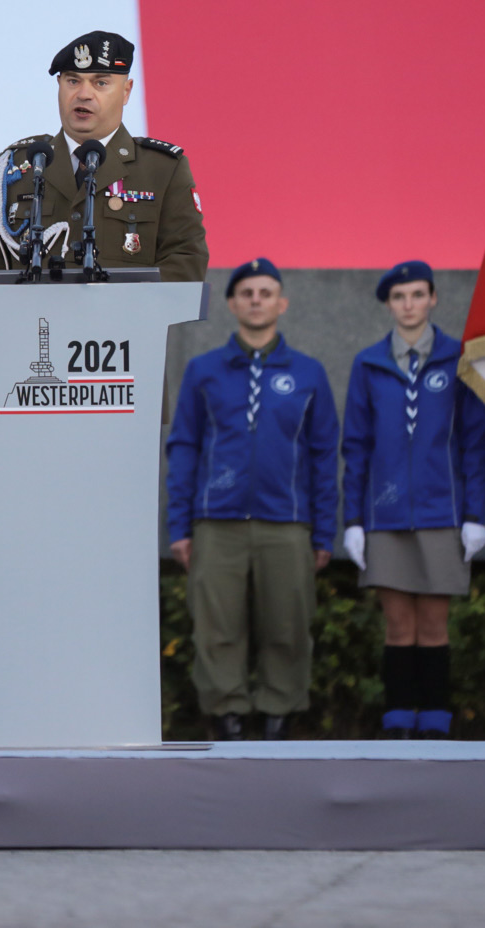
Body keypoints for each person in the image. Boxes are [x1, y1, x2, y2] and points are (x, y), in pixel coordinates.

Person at [165, 260, 339, 741]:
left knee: (286, 626)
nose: (257, 299)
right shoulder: (204, 372)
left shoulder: (308, 373)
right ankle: (228, 718)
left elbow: (325, 455)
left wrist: (324, 530)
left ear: (281, 303)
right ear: (232, 304)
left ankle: (279, 718)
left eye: (266, 292)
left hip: (287, 523)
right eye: (247, 292)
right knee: (216, 628)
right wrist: (179, 525)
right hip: (215, 523)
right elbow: (183, 447)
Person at [340, 261, 485, 739]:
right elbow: (356, 446)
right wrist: (353, 520)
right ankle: (399, 721)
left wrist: (474, 515)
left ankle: (436, 723)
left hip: (441, 513)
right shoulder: (369, 363)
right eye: (400, 296)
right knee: (398, 625)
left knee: (434, 624)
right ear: (389, 304)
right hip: (384, 515)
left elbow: (475, 442)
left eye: (418, 295)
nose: (409, 304)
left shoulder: (458, 359)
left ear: (433, 299)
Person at [0, 30, 207, 282]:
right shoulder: (20, 165)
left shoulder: (161, 169)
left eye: (101, 83)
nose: (84, 94)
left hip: (124, 320)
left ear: (126, 91)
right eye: (73, 81)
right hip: (32, 320)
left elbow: (186, 258)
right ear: (59, 86)